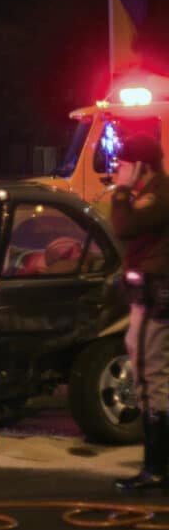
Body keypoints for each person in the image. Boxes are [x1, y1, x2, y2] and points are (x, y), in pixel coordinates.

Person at [109, 134, 169, 491]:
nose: (120, 169)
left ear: (142, 166)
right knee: (149, 372)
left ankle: (157, 468)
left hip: (156, 293)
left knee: (151, 375)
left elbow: (123, 226)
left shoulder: (159, 195)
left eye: (126, 164)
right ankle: (157, 466)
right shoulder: (153, 193)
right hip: (147, 291)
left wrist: (120, 191)